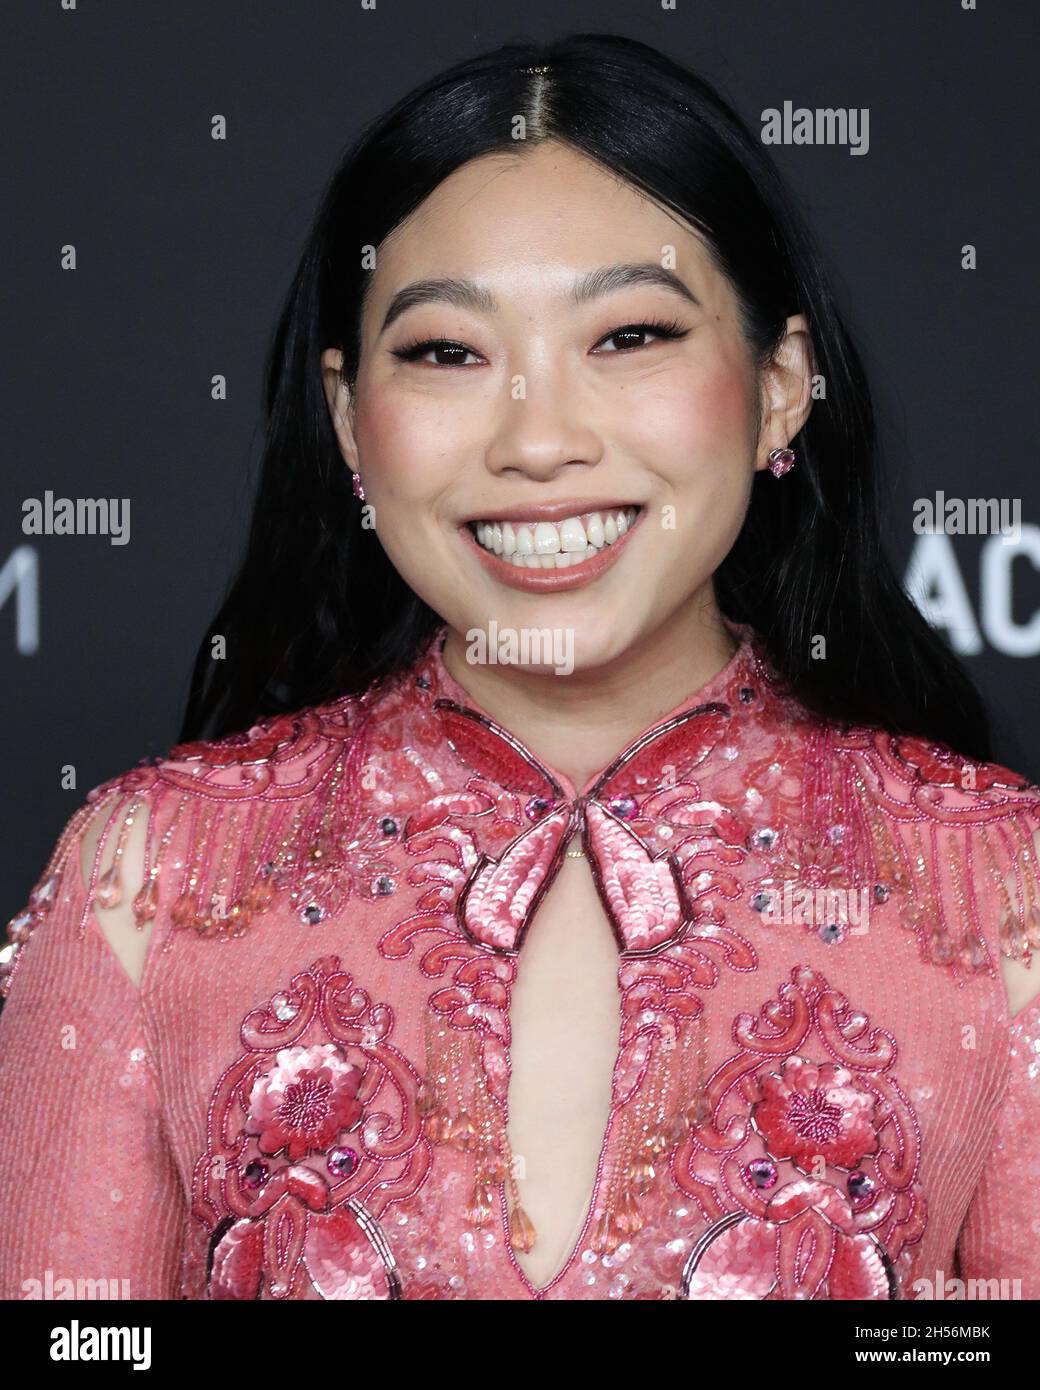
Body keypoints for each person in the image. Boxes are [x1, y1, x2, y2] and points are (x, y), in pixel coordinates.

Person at [1, 33, 1038, 1302]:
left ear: (776, 387)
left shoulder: (999, 890)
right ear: (347, 421)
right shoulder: (151, 873)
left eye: (629, 336)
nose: (539, 439)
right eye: (446, 352)